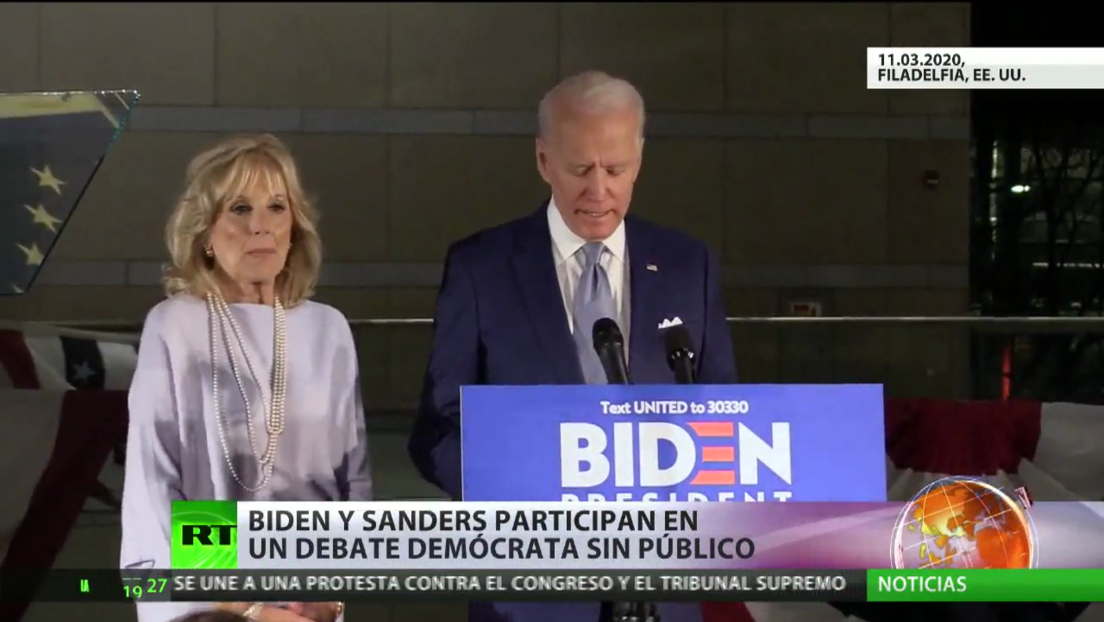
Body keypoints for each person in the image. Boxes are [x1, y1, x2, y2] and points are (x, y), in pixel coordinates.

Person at [408, 71, 737, 622]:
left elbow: (726, 414)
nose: (599, 190)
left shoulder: (688, 265)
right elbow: (438, 427)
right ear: (543, 161)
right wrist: (518, 508)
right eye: (580, 169)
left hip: (664, 586)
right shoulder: (480, 269)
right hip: (530, 589)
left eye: (616, 169)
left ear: (639, 161)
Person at [121, 134, 370, 622]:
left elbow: (354, 482)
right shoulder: (174, 326)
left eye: (277, 207)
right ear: (205, 231)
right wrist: (248, 608)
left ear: (294, 226)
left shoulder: (328, 328)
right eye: (239, 208)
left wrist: (331, 597)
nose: (261, 226)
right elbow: (155, 484)